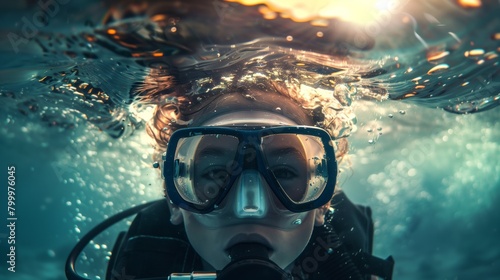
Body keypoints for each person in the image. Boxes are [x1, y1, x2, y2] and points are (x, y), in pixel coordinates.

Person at [99, 75, 395, 280]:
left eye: (283, 172)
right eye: (216, 173)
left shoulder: (342, 264)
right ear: (176, 203)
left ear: (321, 203)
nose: (249, 207)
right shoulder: (145, 262)